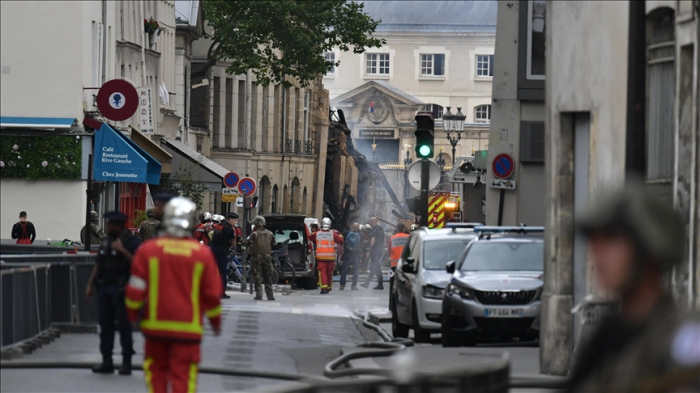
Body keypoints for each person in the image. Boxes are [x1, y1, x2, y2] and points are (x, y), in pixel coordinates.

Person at [567, 185, 700, 393]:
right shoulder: (608, 335)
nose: (598, 254)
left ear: (650, 247)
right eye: (594, 241)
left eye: (611, 239)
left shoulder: (683, 337)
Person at [125, 197, 222, 393]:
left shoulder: (148, 251)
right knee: (184, 375)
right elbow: (212, 294)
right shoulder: (201, 254)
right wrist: (215, 323)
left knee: (156, 372)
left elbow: (135, 289)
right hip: (188, 328)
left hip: (155, 327)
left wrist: (132, 317)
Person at [85, 211, 141, 375]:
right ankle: (107, 360)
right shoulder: (106, 240)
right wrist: (89, 285)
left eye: (110, 225)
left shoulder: (131, 243)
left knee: (124, 326)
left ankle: (126, 362)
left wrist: (122, 250)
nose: (107, 227)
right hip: (104, 288)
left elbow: (138, 264)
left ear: (118, 226)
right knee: (105, 325)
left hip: (122, 289)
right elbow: (99, 264)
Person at [309, 217, 343, 294]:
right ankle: (329, 287)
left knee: (322, 273)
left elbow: (311, 237)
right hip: (330, 257)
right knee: (329, 272)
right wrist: (339, 234)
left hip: (321, 257)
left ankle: (324, 288)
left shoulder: (317, 234)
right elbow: (341, 240)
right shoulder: (333, 234)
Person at [246, 216, 277, 301]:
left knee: (257, 276)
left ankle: (259, 294)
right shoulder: (270, 233)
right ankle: (270, 295)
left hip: (256, 257)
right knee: (268, 276)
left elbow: (248, 243)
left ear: (256, 224)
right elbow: (274, 244)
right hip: (267, 256)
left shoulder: (254, 234)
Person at [209, 214, 234, 299]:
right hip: (221, 251)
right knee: (223, 272)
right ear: (229, 220)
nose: (235, 222)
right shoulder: (230, 229)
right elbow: (233, 242)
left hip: (213, 249)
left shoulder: (219, 226)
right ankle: (221, 292)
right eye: (234, 220)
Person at [361, 217, 385, 290]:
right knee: (376, 267)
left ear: (373, 221)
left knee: (374, 266)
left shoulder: (374, 229)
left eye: (371, 220)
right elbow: (383, 240)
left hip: (375, 250)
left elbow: (372, 241)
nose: (370, 222)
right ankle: (379, 284)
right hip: (379, 249)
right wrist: (383, 250)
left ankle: (368, 283)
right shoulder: (381, 229)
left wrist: (369, 251)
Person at [340, 222, 361, 290]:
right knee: (355, 270)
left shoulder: (346, 233)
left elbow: (343, 242)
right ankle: (353, 285)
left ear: (352, 227)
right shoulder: (359, 235)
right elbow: (360, 244)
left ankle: (342, 285)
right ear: (358, 228)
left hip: (348, 253)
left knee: (345, 270)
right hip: (356, 254)